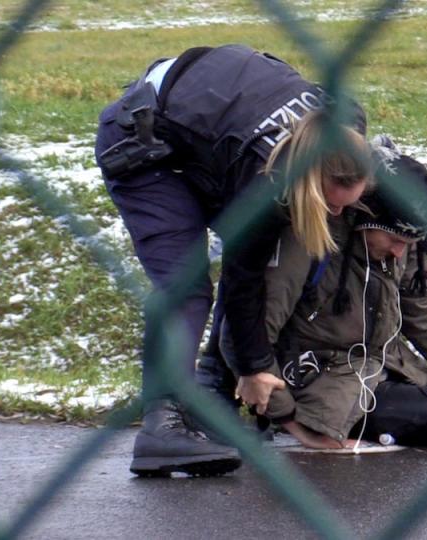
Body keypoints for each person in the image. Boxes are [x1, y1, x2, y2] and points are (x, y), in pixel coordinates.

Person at [95, 44, 372, 476]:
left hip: (207, 133)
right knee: (186, 286)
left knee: (280, 237)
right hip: (140, 142)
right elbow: (245, 277)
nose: (337, 215)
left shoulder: (346, 123)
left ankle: (212, 393)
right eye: (331, 204)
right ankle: (161, 425)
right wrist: (255, 367)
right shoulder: (263, 184)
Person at [215, 138, 427, 449]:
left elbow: (422, 312)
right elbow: (245, 334)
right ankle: (333, 424)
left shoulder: (402, 241)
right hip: (317, 380)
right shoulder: (309, 239)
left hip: (375, 369)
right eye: (394, 240)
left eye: (410, 244)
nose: (399, 252)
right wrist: (290, 420)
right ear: (364, 216)